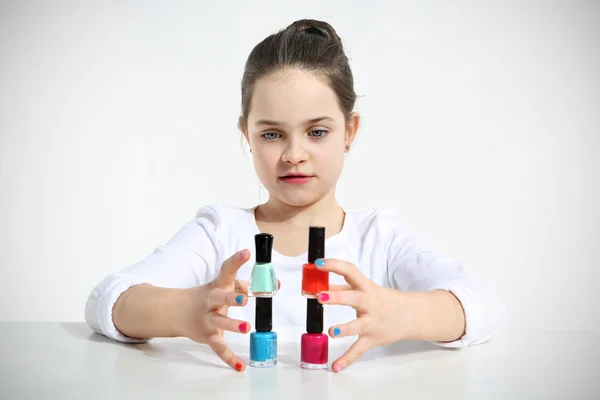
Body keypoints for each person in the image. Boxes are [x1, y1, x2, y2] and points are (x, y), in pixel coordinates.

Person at [84, 18, 507, 373]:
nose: (293, 155)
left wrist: (401, 315)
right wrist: (182, 312)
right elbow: (108, 300)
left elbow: (485, 305)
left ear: (350, 132)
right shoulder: (219, 233)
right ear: (246, 135)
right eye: (271, 134)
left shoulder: (381, 238)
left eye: (317, 132)